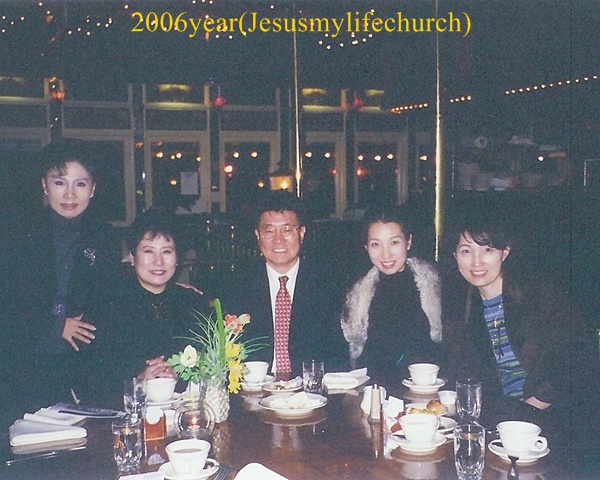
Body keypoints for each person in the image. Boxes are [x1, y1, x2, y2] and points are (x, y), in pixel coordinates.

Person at [442, 217, 600, 475]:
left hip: (559, 418)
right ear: (455, 256)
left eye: (487, 250)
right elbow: (464, 372)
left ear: (505, 252)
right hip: (502, 423)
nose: (476, 262)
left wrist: (532, 407)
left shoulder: (539, 295)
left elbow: (578, 353)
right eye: (466, 251)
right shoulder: (461, 308)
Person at [4, 140, 119, 413]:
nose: (69, 194)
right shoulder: (16, 233)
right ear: (44, 185)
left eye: (80, 184)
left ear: (93, 189)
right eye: (59, 182)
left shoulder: (104, 236)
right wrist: (56, 327)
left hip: (81, 367)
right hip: (23, 362)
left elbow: (112, 295)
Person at [86, 211, 208, 406]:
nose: (158, 261)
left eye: (166, 251)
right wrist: (138, 379)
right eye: (148, 251)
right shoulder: (107, 303)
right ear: (132, 256)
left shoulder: (192, 302)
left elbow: (208, 364)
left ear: (178, 258)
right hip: (124, 412)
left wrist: (179, 373)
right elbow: (93, 376)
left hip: (182, 409)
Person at [223, 192, 347, 378]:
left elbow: (339, 357)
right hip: (254, 387)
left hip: (311, 389)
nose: (278, 240)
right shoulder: (236, 286)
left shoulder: (329, 286)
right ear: (257, 235)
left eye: (287, 230)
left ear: (302, 233)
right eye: (269, 231)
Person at [340, 205, 443, 388]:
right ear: (366, 247)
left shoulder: (436, 286)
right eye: (376, 244)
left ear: (408, 242)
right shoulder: (356, 295)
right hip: (374, 394)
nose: (385, 254)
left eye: (394, 242)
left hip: (427, 392)